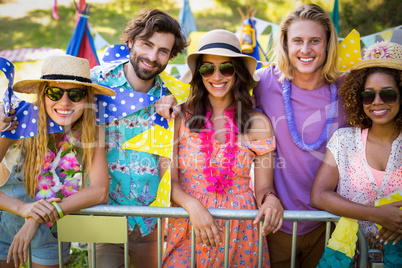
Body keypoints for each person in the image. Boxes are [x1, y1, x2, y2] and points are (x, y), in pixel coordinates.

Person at [162, 29, 283, 268]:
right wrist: (193, 206)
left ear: (237, 73)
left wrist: (270, 201)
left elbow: (264, 186)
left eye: (226, 68)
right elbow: (170, 183)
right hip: (188, 224)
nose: (217, 76)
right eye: (208, 68)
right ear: (199, 74)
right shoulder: (179, 118)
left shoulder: (259, 124)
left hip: (240, 231)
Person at [88, 8, 188, 268]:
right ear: (131, 41)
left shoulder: (172, 93)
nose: (153, 57)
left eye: (163, 51)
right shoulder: (97, 83)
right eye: (147, 44)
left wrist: (179, 106)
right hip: (106, 211)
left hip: (151, 219)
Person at [252, 4, 348, 267]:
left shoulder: (348, 88)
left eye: (315, 41)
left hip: (330, 224)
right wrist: (172, 102)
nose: (305, 50)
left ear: (328, 44)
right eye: (297, 41)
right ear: (284, 43)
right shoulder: (263, 83)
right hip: (276, 224)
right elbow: (212, 89)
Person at [0, 54, 114, 268]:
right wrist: (24, 210)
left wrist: (36, 218)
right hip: (3, 227)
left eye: (76, 94)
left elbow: (100, 190)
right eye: (54, 92)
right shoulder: (17, 121)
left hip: (49, 233)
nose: (65, 102)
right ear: (43, 95)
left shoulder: (89, 132)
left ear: (87, 98)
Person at [311, 41, 402, 266]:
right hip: (351, 259)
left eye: (388, 94)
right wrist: (375, 214)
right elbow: (319, 195)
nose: (377, 102)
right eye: (368, 95)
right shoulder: (344, 140)